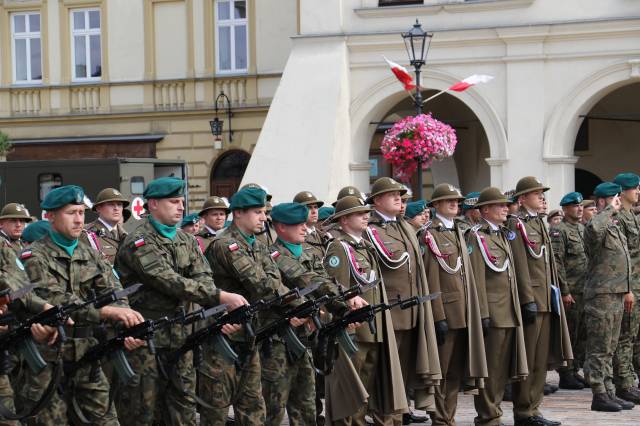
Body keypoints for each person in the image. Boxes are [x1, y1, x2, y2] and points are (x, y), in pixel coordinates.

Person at [114, 177, 246, 425]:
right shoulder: (139, 241)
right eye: (173, 201)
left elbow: (203, 277)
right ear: (153, 204)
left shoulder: (185, 240)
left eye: (181, 201)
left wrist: (218, 305)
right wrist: (220, 297)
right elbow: (167, 280)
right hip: (146, 342)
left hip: (182, 339)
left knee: (183, 410)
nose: (181, 207)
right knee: (143, 412)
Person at [21, 185, 145, 425]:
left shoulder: (91, 254)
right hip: (48, 358)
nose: (79, 220)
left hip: (88, 353)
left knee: (106, 420)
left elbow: (113, 291)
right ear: (51, 216)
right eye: (71, 213)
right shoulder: (34, 256)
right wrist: (107, 312)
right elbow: (57, 300)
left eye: (81, 213)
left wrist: (126, 320)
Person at [203, 186, 296, 425]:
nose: (264, 218)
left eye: (264, 212)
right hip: (222, 338)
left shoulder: (256, 244)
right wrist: (296, 301)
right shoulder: (226, 244)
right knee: (216, 410)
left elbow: (273, 279)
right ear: (239, 214)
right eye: (258, 212)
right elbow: (263, 284)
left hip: (248, 333)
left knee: (253, 407)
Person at [269, 202, 361, 426]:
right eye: (297, 224)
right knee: (273, 405)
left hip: (307, 336)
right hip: (279, 338)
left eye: (304, 223)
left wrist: (343, 307)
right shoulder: (272, 255)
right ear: (281, 227)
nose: (304, 228)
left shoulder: (307, 251)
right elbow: (299, 283)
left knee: (307, 403)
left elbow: (324, 281)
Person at [323, 195, 407, 425]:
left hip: (372, 327)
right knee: (350, 389)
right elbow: (336, 290)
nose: (366, 216)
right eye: (360, 214)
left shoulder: (364, 246)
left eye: (366, 213)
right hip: (354, 330)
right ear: (345, 220)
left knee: (365, 389)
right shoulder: (339, 249)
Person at [365, 177, 441, 423]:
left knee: (404, 374)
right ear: (377, 200)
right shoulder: (371, 230)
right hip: (389, 313)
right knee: (386, 376)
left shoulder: (403, 226)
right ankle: (384, 419)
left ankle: (399, 417)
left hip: (411, 312)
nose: (399, 198)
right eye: (392, 195)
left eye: (401, 195)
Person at [506, 177, 571, 426]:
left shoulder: (537, 222)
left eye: (542, 193)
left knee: (540, 360)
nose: (542, 197)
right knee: (529, 358)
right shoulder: (516, 224)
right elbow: (521, 264)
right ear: (522, 198)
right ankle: (523, 411)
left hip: (546, 296)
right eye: (536, 194)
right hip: (532, 298)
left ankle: (533, 408)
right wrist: (526, 298)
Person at [421, 184, 488, 426]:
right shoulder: (430, 234)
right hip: (447, 312)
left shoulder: (460, 231)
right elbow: (431, 278)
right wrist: (437, 316)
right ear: (435, 205)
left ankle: (448, 416)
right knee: (441, 370)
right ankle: (440, 418)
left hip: (464, 311)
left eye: (456, 200)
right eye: (448, 200)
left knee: (456, 371)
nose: (454, 204)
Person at [469, 187, 529, 426]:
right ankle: (488, 416)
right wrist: (482, 313)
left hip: (508, 310)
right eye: (500, 205)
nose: (507, 208)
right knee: (491, 369)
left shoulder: (500, 234)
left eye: (507, 205)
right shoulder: (477, 236)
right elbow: (477, 278)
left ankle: (494, 412)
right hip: (493, 312)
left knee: (502, 368)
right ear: (485, 210)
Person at [583, 182, 634, 412]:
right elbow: (593, 230)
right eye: (613, 198)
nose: (617, 202)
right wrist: (608, 209)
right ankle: (599, 393)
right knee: (599, 347)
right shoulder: (598, 224)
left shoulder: (613, 226)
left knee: (610, 347)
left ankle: (609, 391)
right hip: (601, 295)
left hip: (615, 293)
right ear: (602, 201)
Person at [550, 192, 589, 390]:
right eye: (574, 206)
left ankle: (573, 370)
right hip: (571, 291)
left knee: (581, 333)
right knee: (569, 333)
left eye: (581, 205)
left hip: (585, 290)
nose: (579, 208)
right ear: (565, 209)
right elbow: (557, 263)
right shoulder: (559, 231)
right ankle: (565, 373)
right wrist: (564, 291)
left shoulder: (582, 229)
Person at [611, 173, 640, 403]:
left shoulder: (632, 217)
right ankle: (624, 384)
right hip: (626, 286)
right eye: (634, 188)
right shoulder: (617, 218)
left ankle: (629, 379)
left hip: (636, 285)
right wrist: (628, 288)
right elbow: (621, 258)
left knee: (633, 335)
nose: (638, 192)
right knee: (625, 336)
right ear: (622, 191)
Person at [80, 188, 129, 264]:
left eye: (119, 205)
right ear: (98, 208)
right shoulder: (86, 234)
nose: (116, 208)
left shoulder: (127, 236)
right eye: (111, 204)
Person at [293, 191, 329, 259]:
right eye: (309, 208)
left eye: (315, 207)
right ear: (298, 211)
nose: (314, 211)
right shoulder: (295, 238)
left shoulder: (324, 235)